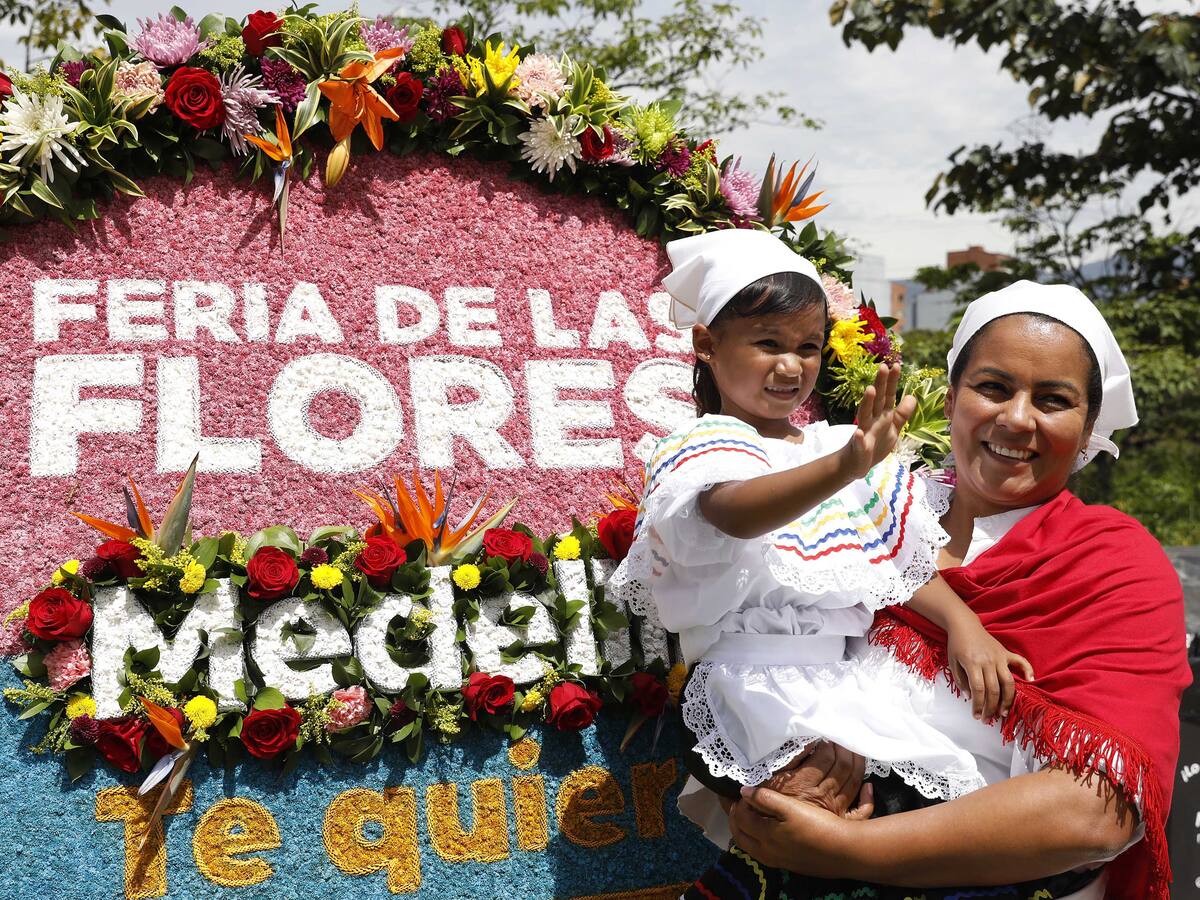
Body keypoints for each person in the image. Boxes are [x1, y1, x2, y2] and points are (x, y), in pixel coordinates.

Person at [610, 231, 1060, 897]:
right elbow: (733, 512)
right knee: (802, 830)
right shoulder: (702, 445)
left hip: (851, 677)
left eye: (808, 347)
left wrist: (964, 626)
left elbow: (896, 559)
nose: (791, 365)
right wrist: (844, 467)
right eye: (768, 342)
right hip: (754, 685)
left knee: (942, 796)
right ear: (706, 344)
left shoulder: (834, 446)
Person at [722, 281, 1192, 900]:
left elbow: (1100, 809)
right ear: (950, 401)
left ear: (1086, 433)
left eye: (1053, 400)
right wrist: (775, 788)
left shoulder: (1113, 561)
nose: (1017, 418)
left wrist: (844, 850)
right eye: (993, 387)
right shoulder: (861, 516)